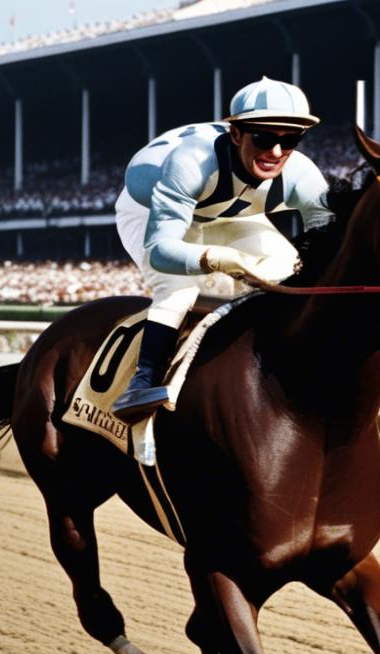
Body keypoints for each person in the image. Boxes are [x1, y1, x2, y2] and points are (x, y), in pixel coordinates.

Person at [111, 76, 333, 421]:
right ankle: (143, 380)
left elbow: (329, 242)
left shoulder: (303, 176)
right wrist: (213, 257)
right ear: (236, 135)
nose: (276, 152)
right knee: (178, 287)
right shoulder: (191, 163)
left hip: (231, 212)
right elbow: (161, 251)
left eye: (291, 139)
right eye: (263, 137)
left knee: (287, 266)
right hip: (152, 209)